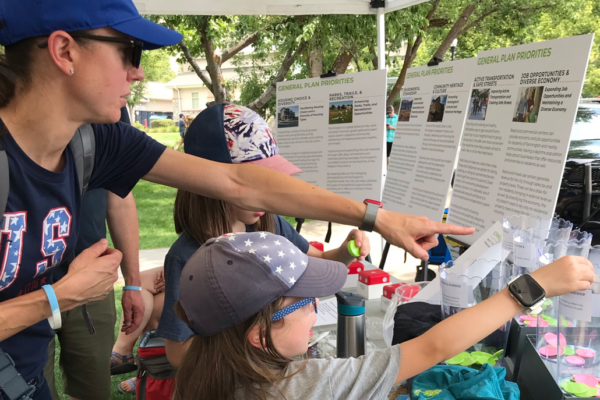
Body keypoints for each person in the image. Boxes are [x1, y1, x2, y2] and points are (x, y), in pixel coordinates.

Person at [0, 1, 473, 397]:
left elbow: (240, 183)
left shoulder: (100, 142)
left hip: (23, 369)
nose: (139, 69)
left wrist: (377, 218)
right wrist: (58, 297)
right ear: (64, 50)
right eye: (128, 50)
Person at [118, 104, 372, 394]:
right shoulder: (188, 255)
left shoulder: (269, 224)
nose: (267, 198)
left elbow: (321, 259)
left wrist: (347, 251)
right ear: (212, 183)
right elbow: (177, 351)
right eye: (255, 186)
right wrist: (257, 344)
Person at [174, 232, 594, 400]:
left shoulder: (199, 367)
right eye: (308, 304)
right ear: (259, 337)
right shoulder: (302, 387)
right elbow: (432, 346)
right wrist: (527, 290)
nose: (318, 310)